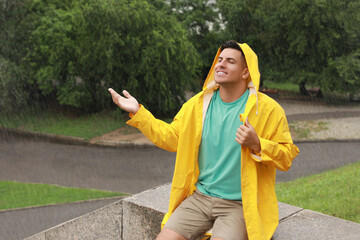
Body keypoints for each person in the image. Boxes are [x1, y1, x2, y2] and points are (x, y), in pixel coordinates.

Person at [108, 40, 299, 240]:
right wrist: (138, 112)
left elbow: (286, 157)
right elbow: (172, 138)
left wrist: (257, 144)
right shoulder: (197, 105)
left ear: (246, 72)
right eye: (220, 60)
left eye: (230, 61)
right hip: (199, 198)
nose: (221, 64)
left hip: (239, 205)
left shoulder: (268, 110)